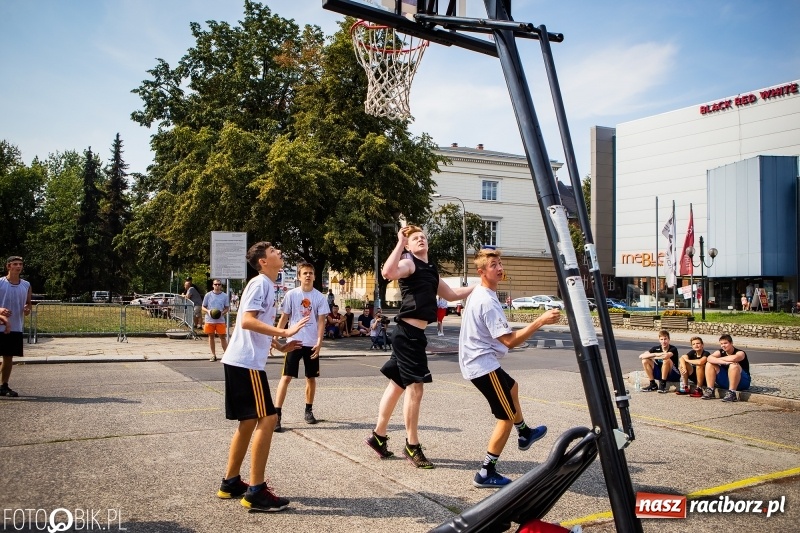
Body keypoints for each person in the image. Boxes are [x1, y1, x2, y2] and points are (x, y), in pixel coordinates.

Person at [365, 224, 474, 469]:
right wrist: (399, 244)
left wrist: (479, 288)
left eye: (423, 237)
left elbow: (453, 293)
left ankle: (378, 437)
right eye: (416, 238)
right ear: (410, 246)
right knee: (416, 389)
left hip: (414, 335)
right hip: (407, 334)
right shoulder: (409, 263)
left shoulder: (430, 270)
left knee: (396, 385)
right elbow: (388, 272)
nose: (421, 240)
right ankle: (412, 445)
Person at [217, 242, 309, 512]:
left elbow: (255, 327)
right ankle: (256, 491)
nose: (279, 252)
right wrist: (284, 333)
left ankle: (231, 482)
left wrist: (279, 346)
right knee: (268, 418)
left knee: (248, 422)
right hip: (246, 364)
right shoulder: (261, 284)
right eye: (273, 251)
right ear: (263, 261)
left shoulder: (266, 285)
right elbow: (246, 321)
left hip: (240, 361)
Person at [459, 248, 561, 487]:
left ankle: (524, 433)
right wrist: (540, 321)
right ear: (482, 271)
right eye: (493, 264)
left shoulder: (482, 291)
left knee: (513, 387)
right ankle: (486, 472)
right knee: (504, 417)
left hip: (481, 360)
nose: (500, 267)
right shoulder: (486, 300)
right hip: (481, 364)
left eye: (500, 263)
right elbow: (510, 341)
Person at [274, 262, 329, 432]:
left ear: (314, 276)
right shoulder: (291, 295)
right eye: (305, 273)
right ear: (299, 276)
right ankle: (277, 415)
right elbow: (285, 317)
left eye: (311, 273)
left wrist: (319, 341)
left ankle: (308, 410)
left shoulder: (319, 297)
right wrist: (276, 336)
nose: (308, 275)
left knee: (310, 378)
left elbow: (321, 321)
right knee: (286, 378)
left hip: (311, 342)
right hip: (294, 341)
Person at [0, 256, 32, 397]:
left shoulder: (26, 285)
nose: (18, 266)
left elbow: (28, 303)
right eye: (15, 264)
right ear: (8, 266)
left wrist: (27, 308)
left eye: (20, 264)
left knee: (8, 357)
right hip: (0, 325)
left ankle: (3, 386)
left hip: (15, 326)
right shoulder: (0, 283)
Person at [702, 334, 751, 402]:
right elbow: (709, 358)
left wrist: (718, 359)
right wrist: (724, 362)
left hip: (742, 382)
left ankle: (732, 393)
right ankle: (710, 390)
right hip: (726, 380)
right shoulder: (720, 352)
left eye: (725, 343)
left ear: (731, 343)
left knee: (734, 365)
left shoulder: (740, 352)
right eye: (721, 344)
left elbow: (734, 358)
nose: (723, 345)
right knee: (709, 364)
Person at [202, 279, 230, 362]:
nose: (217, 286)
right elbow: (203, 306)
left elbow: (227, 308)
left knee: (222, 337)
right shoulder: (208, 295)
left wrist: (222, 313)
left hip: (220, 320)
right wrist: (208, 311)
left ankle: (227, 355)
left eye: (219, 284)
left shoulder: (225, 296)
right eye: (216, 284)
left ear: (221, 285)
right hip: (210, 320)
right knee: (211, 337)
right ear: (213, 285)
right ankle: (213, 355)